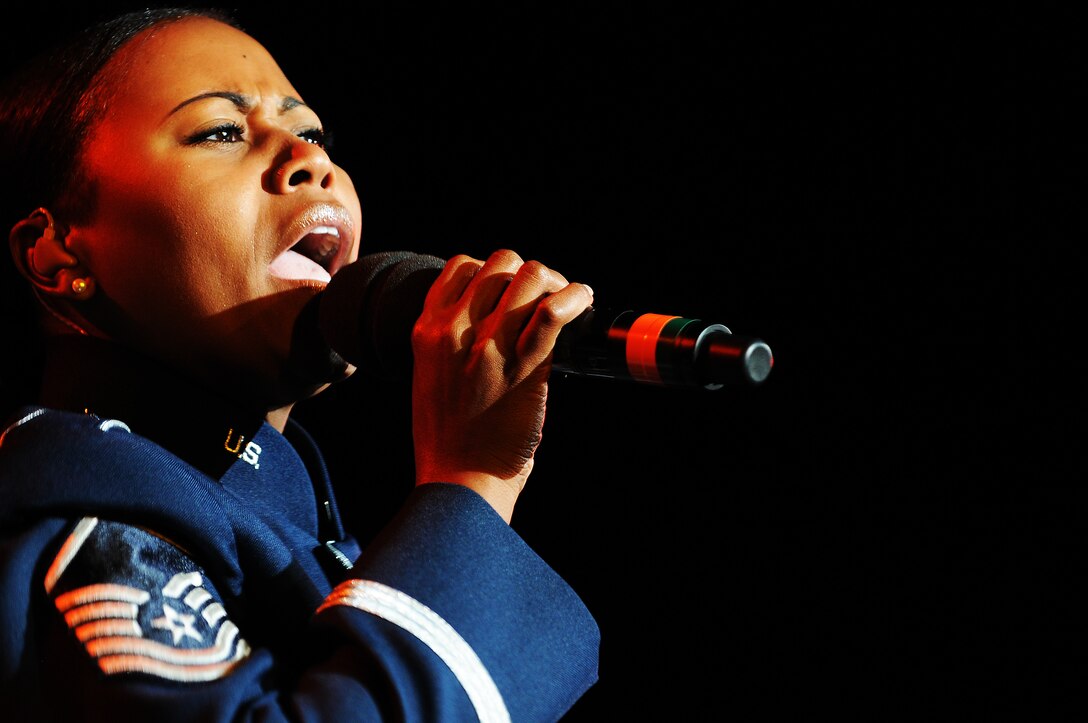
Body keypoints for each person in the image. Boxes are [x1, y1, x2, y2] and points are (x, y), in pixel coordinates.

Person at [0, 6, 599, 721]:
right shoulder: (80, 519)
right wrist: (470, 485)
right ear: (56, 251)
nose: (308, 159)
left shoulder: (292, 526)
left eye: (312, 133)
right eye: (222, 130)